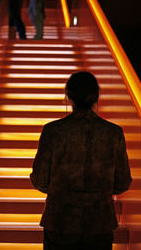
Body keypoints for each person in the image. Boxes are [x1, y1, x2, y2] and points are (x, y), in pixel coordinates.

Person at [30, 71, 132, 250]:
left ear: (68, 96)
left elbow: (39, 180)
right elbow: (122, 182)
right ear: (96, 97)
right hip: (99, 221)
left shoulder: (52, 132)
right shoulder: (113, 133)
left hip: (60, 221)